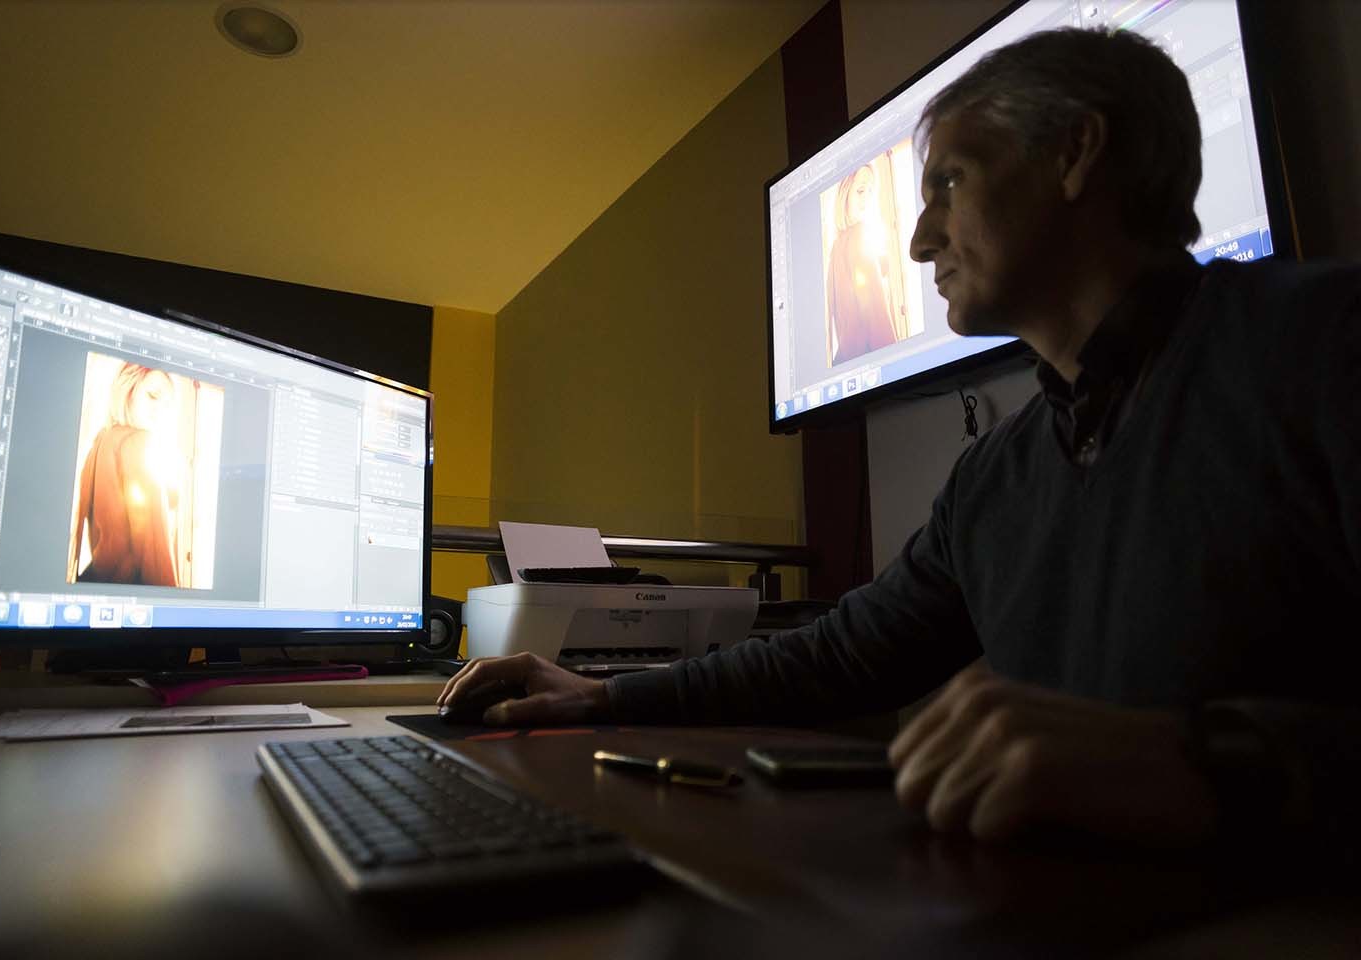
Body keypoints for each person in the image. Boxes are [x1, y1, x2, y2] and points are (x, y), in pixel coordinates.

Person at [441, 28, 1361, 849]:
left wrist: (1207, 762)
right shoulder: (993, 478)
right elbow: (840, 654)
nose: (920, 242)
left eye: (949, 183)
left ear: (1076, 150)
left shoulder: (1326, 345)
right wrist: (595, 695)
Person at [69, 362, 180, 587]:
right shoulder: (140, 442)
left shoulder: (100, 442)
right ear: (128, 389)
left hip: (98, 581)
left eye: (167, 404)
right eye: (153, 396)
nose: (159, 410)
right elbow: (155, 552)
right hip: (134, 589)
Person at [827, 163, 898, 363]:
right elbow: (876, 316)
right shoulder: (859, 235)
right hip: (871, 362)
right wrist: (896, 361)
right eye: (860, 190)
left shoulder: (836, 247)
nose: (867, 198)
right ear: (844, 194)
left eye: (870, 190)